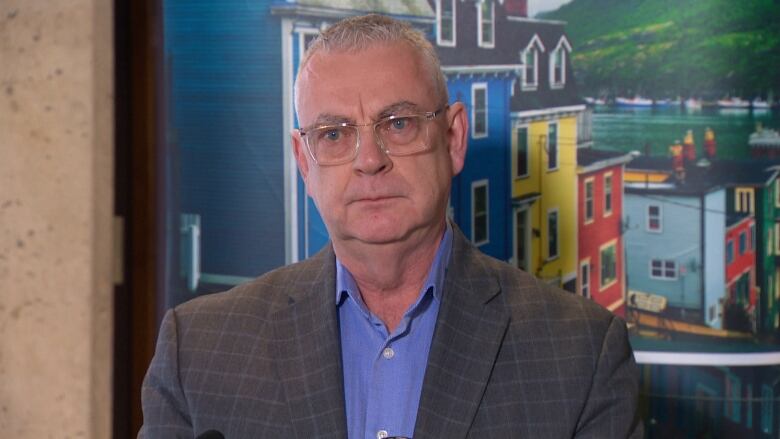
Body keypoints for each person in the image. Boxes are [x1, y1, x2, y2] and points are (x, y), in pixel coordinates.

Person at [140, 14, 641, 439]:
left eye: (398, 124)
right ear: (303, 162)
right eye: (334, 134)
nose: (369, 160)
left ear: (453, 139)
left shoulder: (581, 356)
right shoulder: (199, 352)